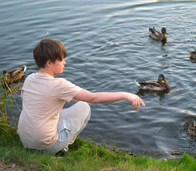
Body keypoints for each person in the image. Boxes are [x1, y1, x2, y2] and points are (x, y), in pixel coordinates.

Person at [17, 38, 145, 155]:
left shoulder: (30, 78)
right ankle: (61, 149)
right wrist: (125, 95)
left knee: (46, 111)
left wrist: (68, 96)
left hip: (26, 142)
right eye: (61, 59)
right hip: (45, 147)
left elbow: (42, 101)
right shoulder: (59, 84)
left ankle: (44, 144)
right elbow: (93, 98)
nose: (64, 63)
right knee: (84, 107)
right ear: (49, 63)